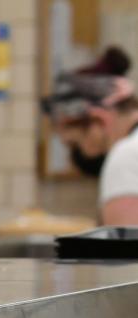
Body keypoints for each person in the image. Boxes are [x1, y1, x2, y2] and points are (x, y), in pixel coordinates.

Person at [42, 46, 138, 225]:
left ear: (100, 120)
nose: (76, 156)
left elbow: (125, 249)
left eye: (75, 144)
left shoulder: (126, 157)